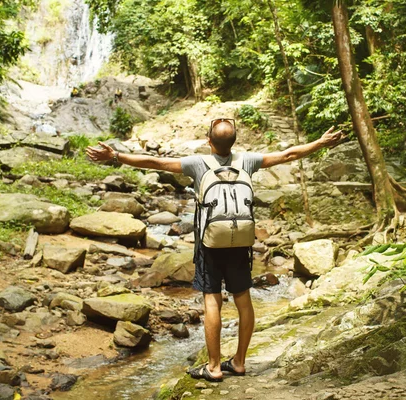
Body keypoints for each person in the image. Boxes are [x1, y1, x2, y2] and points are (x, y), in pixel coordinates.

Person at [86, 119, 343, 381]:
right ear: (235, 141)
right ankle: (240, 362)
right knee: (243, 299)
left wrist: (115, 155)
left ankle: (214, 366)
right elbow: (288, 155)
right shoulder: (247, 161)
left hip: (210, 242)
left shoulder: (198, 164)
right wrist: (320, 143)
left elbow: (156, 163)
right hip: (241, 241)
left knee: (212, 299)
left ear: (209, 141)